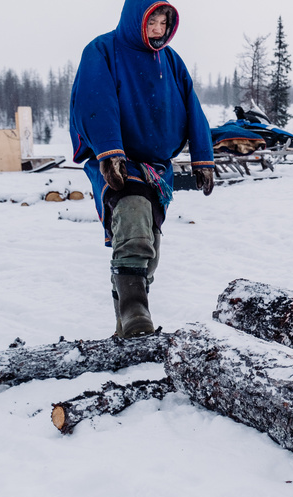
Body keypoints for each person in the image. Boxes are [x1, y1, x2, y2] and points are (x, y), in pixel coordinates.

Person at [69, 1, 215, 337]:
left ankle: (127, 324)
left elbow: (192, 106)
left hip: (156, 168)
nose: (159, 29)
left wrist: (202, 158)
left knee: (150, 242)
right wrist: (110, 151)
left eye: (164, 23)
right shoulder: (103, 50)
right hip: (117, 162)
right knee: (133, 219)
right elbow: (95, 100)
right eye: (153, 22)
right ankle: (135, 312)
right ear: (137, 19)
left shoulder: (171, 60)